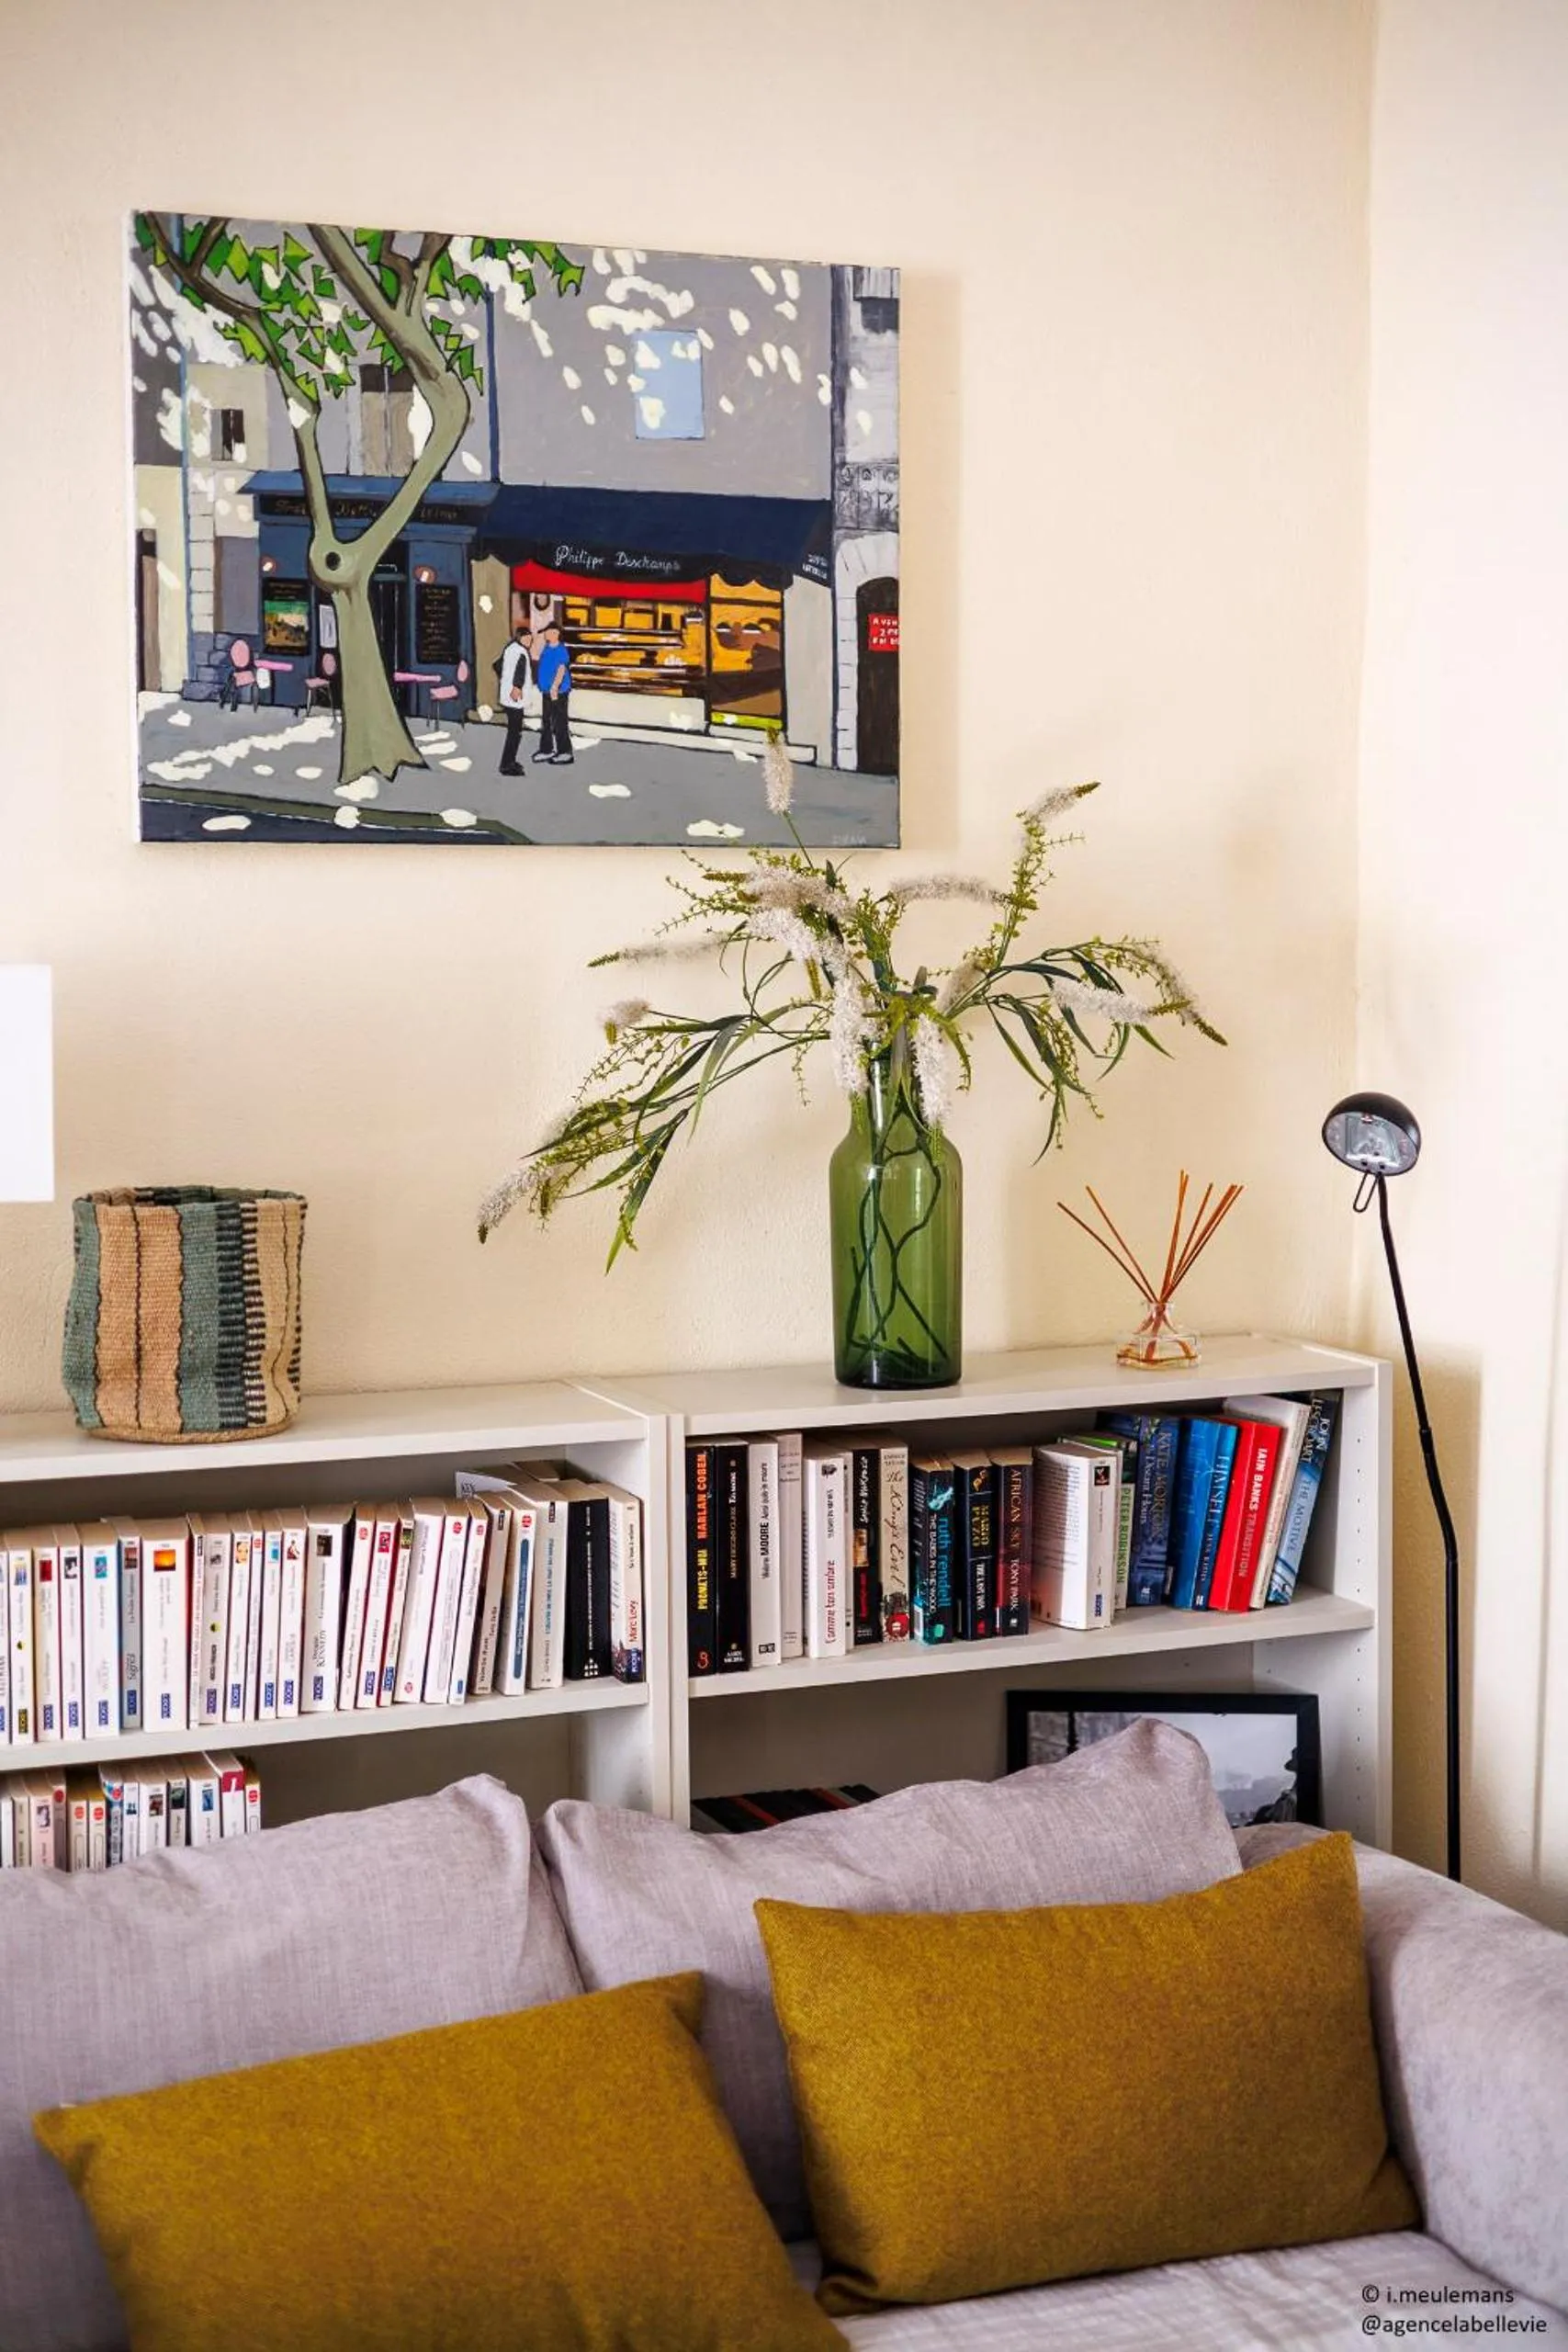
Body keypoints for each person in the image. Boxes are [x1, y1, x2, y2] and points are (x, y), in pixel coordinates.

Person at [533, 625, 573, 764]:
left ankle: (564, 752)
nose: (545, 634)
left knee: (559, 722)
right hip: (546, 691)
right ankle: (546, 750)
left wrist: (555, 687)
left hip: (558, 692)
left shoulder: (561, 649)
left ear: (556, 633)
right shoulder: (547, 648)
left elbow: (561, 669)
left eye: (548, 632)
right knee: (547, 721)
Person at [496, 623, 531, 775]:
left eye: (531, 639)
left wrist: (505, 682)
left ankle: (509, 761)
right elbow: (520, 673)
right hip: (515, 698)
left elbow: (497, 665)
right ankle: (507, 764)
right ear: (520, 638)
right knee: (515, 733)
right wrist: (516, 687)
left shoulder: (509, 649)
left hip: (507, 696)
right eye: (527, 638)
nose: (529, 641)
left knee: (513, 731)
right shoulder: (521, 652)